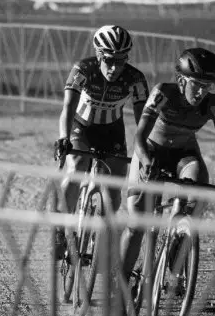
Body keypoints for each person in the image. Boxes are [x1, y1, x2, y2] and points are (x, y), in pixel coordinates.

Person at [120, 47, 215, 285]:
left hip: (184, 156)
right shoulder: (163, 93)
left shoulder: (214, 105)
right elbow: (140, 138)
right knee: (137, 224)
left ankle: (179, 237)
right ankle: (120, 282)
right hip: (151, 151)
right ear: (181, 80)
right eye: (197, 84)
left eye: (209, 85)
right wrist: (145, 162)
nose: (202, 92)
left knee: (197, 189)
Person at [53, 25, 149, 260]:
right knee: (76, 168)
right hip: (81, 128)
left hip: (112, 132)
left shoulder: (135, 78)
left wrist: (146, 153)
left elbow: (142, 122)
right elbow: (68, 107)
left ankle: (101, 236)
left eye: (121, 60)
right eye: (109, 60)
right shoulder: (83, 69)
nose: (115, 67)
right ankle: (60, 229)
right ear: (98, 54)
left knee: (114, 190)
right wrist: (64, 138)